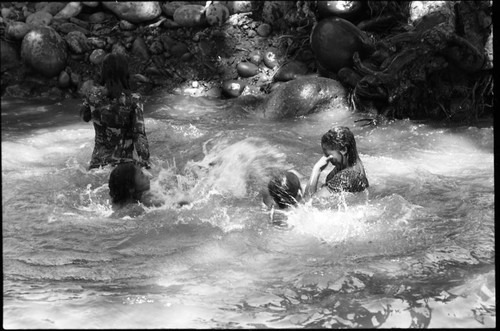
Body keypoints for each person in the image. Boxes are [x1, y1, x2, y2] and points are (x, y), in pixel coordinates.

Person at [263, 126, 369, 218]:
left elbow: (309, 205)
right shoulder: (353, 162)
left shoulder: (348, 176)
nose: (327, 159)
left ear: (344, 150)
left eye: (329, 155)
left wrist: (316, 170)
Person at [80, 52, 150, 170]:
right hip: (123, 168)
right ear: (125, 72)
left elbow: (85, 116)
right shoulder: (133, 100)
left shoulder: (93, 95)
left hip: (97, 167)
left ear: (104, 72)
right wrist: (146, 165)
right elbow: (140, 136)